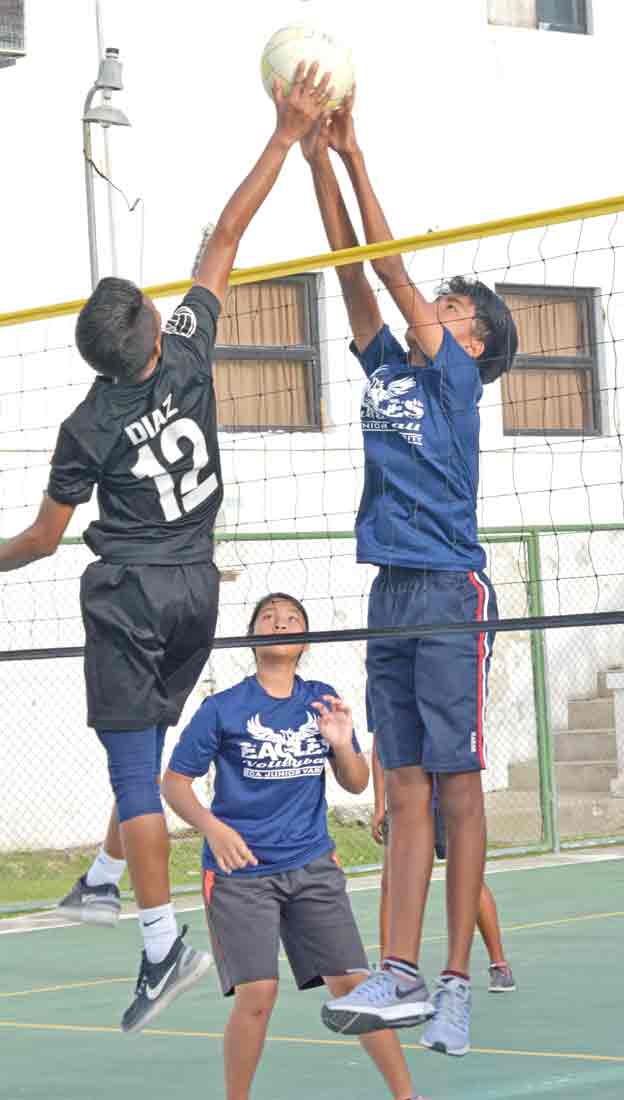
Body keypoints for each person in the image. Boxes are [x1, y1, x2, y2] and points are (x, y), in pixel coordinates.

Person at [0, 62, 335, 1034]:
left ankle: (160, 947)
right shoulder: (187, 350)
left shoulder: (87, 425)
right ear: (151, 328)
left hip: (132, 594)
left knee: (130, 768)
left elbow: (41, 539)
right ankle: (105, 879)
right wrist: (284, 133)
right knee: (143, 746)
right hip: (199, 588)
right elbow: (226, 236)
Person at [301, 93, 518, 1056]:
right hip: (390, 590)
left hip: (448, 591)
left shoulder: (457, 381)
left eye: (453, 307)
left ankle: (458, 982)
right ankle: (400, 972)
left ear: (473, 341)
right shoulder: (390, 368)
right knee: (404, 788)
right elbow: (355, 271)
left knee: (459, 789)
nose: (438, 305)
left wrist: (356, 153)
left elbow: (390, 270)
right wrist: (314, 160)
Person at [161, 593, 427, 1100]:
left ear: (304, 641)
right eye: (268, 617)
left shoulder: (321, 699)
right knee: (258, 995)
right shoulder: (222, 708)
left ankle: (407, 1095)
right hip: (241, 874)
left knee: (356, 988)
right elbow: (174, 784)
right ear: (252, 637)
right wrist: (213, 829)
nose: (280, 623)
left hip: (311, 864)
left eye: (291, 619)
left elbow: (355, 781)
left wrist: (341, 742)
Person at [371, 740, 516, 992]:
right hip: (407, 800)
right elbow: (379, 748)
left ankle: (499, 965)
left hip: (440, 797)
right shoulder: (390, 718)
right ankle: (389, 968)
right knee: (392, 882)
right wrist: (378, 805)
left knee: (468, 880)